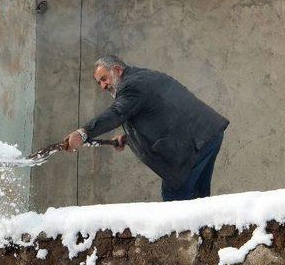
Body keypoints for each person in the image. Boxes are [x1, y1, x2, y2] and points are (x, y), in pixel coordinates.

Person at [64, 55, 229, 201]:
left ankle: (183, 235)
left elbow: (117, 113)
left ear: (117, 70)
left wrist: (84, 133)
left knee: (175, 198)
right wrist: (128, 139)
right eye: (99, 82)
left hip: (193, 144)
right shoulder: (140, 78)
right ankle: (201, 234)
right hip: (207, 135)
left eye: (104, 78)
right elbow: (159, 116)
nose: (103, 86)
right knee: (198, 198)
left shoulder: (132, 85)